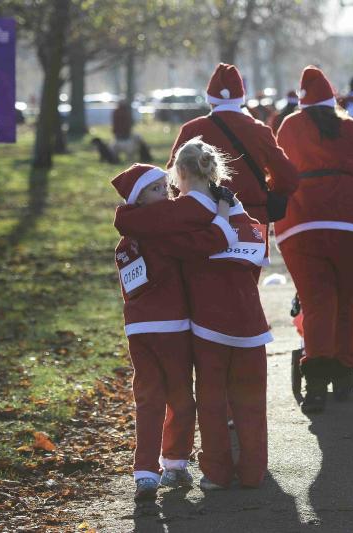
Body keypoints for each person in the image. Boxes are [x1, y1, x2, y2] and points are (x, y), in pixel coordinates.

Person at [116, 139, 272, 490]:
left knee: (212, 400)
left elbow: (131, 221)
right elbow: (257, 255)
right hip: (249, 318)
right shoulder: (234, 205)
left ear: (182, 173)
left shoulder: (183, 211)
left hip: (208, 322)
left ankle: (216, 473)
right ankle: (252, 472)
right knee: (250, 400)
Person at [110, 163, 238, 501]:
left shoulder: (127, 241)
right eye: (155, 189)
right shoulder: (163, 234)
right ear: (139, 199)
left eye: (165, 186)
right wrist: (222, 213)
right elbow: (208, 242)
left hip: (138, 327)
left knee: (149, 398)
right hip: (172, 326)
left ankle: (145, 473)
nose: (166, 193)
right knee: (181, 397)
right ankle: (175, 463)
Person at [275, 66, 353, 414]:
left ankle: (315, 385)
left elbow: (278, 172)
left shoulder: (290, 127)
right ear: (334, 101)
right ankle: (344, 375)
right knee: (348, 303)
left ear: (302, 102)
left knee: (316, 303)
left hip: (303, 225)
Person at [166, 63, 299, 231]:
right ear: (241, 99)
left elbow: (173, 177)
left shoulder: (191, 129)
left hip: (202, 220)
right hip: (252, 218)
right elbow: (288, 178)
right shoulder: (259, 130)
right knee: (252, 259)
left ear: (210, 101)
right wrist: (266, 189)